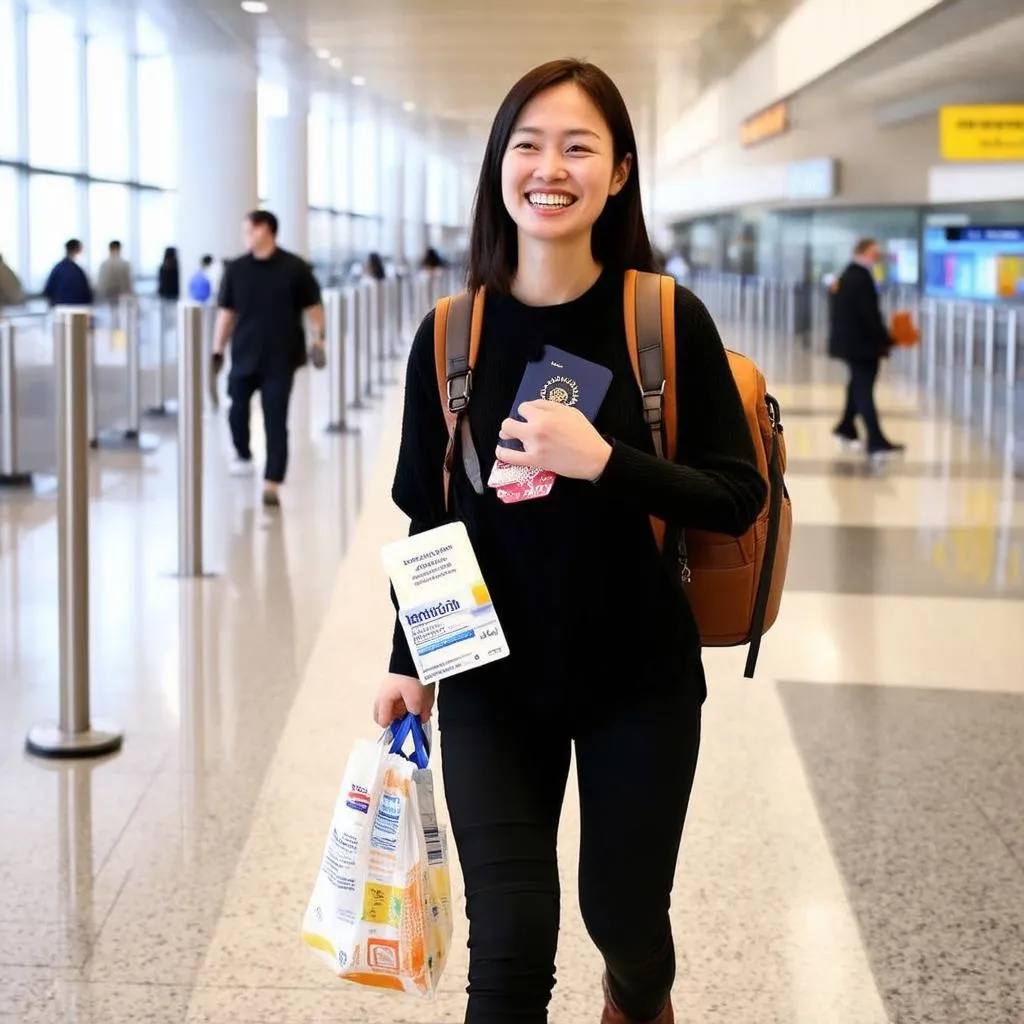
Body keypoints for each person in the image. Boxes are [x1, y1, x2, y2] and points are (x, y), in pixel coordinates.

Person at [373, 59, 766, 1024]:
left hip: (639, 675)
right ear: (500, 166)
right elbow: (431, 516)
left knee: (624, 919)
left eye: (579, 146)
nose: (551, 167)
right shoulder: (449, 334)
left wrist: (605, 460)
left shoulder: (665, 319)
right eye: (529, 144)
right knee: (508, 943)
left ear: (619, 174)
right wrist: (405, 661)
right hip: (491, 680)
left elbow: (735, 496)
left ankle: (639, 997)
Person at [212, 209, 325, 508]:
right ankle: (244, 452)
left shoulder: (295, 268)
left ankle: (272, 482)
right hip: (244, 355)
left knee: (276, 420)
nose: (245, 236)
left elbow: (314, 307)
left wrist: (319, 338)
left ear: (265, 230)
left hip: (281, 357)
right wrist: (217, 348)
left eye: (248, 230)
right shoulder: (236, 269)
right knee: (236, 409)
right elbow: (226, 313)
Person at [828, 238, 905, 457]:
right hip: (860, 346)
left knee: (857, 386)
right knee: (863, 390)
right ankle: (876, 439)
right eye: (873, 253)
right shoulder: (860, 278)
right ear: (861, 252)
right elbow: (869, 316)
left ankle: (845, 427)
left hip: (851, 344)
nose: (876, 257)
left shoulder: (847, 276)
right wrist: (885, 340)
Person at [43, 239, 93, 307]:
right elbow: (86, 293)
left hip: (61, 307)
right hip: (76, 309)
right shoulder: (76, 270)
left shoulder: (58, 268)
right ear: (77, 249)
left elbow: (48, 290)